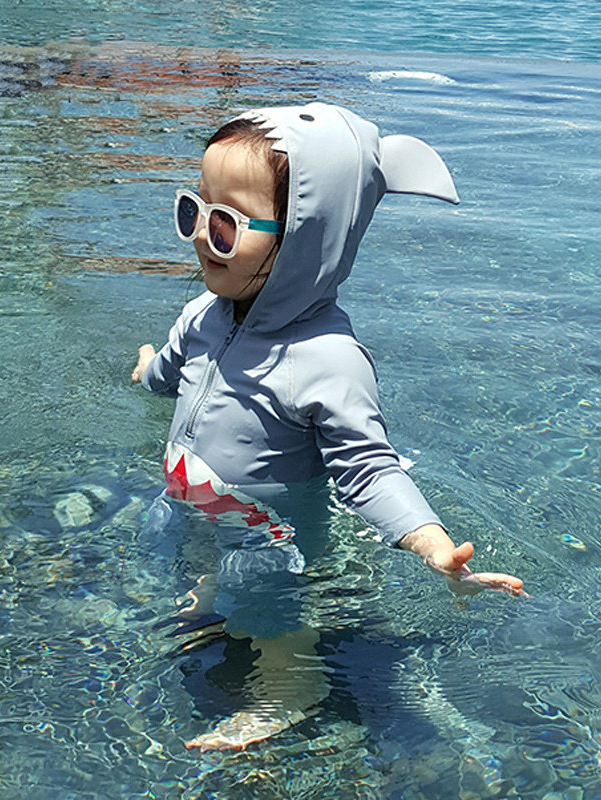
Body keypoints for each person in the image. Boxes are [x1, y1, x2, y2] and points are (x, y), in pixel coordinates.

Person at [132, 102, 527, 752]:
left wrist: (431, 544)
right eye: (194, 211)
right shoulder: (203, 313)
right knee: (194, 575)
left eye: (226, 224)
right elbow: (172, 372)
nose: (203, 234)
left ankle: (292, 690)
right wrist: (148, 370)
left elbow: (367, 467)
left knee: (271, 617)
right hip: (194, 503)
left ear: (304, 238)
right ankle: (208, 597)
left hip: (270, 535)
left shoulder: (325, 360)